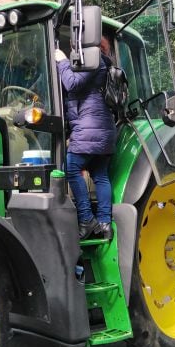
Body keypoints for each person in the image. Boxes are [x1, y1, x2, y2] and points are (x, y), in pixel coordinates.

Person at [55, 40, 117, 240]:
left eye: (75, 44)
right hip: (102, 130)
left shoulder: (94, 59)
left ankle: (86, 218)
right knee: (100, 175)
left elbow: (71, 83)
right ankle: (105, 223)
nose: (74, 48)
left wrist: (62, 61)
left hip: (91, 129)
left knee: (70, 167)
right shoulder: (103, 63)